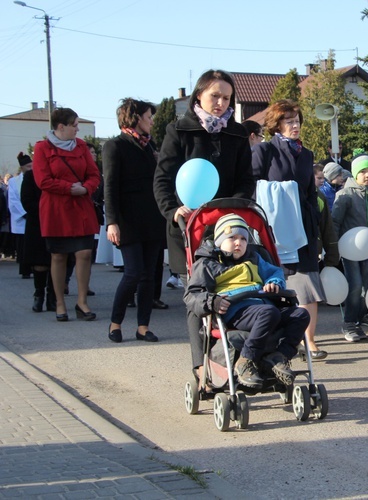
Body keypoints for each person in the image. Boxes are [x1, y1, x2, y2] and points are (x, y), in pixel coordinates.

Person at [153, 69, 255, 374]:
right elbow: (163, 178)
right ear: (199, 95)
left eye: (226, 97)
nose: (221, 102)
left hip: (229, 225)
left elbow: (245, 180)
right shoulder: (179, 131)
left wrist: (234, 208)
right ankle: (202, 366)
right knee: (199, 297)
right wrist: (173, 210)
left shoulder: (236, 134)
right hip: (189, 228)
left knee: (237, 289)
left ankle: (233, 356)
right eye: (215, 96)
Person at [184, 213, 309, 388]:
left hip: (261, 306)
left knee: (300, 314)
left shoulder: (255, 259)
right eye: (232, 237)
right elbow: (193, 294)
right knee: (269, 313)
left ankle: (279, 356)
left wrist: (274, 283)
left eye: (243, 239)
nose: (239, 243)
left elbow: (275, 272)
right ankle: (246, 360)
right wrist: (213, 302)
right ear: (219, 241)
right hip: (235, 309)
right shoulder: (207, 264)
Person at [251, 99, 327, 358]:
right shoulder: (265, 150)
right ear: (277, 124)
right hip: (273, 228)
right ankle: (274, 337)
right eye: (289, 121)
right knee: (275, 282)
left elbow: (309, 192)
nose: (295, 125)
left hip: (303, 227)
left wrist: (313, 221)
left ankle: (310, 341)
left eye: (297, 121)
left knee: (307, 283)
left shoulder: (306, 154)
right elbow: (254, 189)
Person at [103, 98, 166, 343]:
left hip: (152, 219)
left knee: (150, 275)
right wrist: (112, 221)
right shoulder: (114, 146)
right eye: (149, 116)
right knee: (133, 273)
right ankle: (115, 323)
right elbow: (110, 186)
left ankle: (142, 327)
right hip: (127, 221)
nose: (152, 121)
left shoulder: (151, 147)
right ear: (136, 118)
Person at [33, 108, 100, 322]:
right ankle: (60, 302)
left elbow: (94, 174)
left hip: (81, 207)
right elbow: (42, 180)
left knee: (84, 254)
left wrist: (86, 188)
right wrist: (69, 188)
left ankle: (82, 302)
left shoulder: (81, 147)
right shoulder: (42, 148)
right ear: (61, 127)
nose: (78, 129)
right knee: (58, 256)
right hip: (56, 210)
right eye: (74, 125)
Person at [332, 155, 368, 343]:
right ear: (355, 173)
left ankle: (359, 321)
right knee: (355, 285)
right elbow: (335, 222)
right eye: (363, 171)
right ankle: (349, 323)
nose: (367, 175)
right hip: (350, 248)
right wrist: (333, 248)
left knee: (366, 286)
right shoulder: (345, 195)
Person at [19, 153, 54, 312]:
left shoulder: (57, 175)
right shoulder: (31, 176)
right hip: (37, 223)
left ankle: (53, 297)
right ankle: (39, 295)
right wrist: (44, 209)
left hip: (57, 222)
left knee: (57, 260)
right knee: (40, 262)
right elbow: (26, 201)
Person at [8, 156, 32, 278]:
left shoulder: (35, 178)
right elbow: (13, 200)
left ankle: (35, 267)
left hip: (33, 215)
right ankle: (25, 270)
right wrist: (24, 213)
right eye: (28, 167)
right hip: (22, 218)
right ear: (22, 168)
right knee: (23, 245)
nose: (31, 169)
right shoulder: (13, 181)